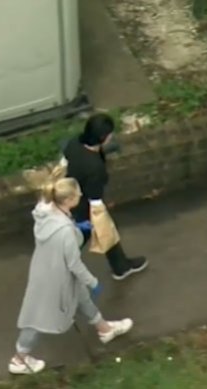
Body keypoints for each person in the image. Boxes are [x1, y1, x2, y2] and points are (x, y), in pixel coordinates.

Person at [8, 177, 133, 375]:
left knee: (81, 297)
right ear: (67, 200)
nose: (81, 196)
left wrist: (76, 228)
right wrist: (93, 282)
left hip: (45, 270)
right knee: (38, 318)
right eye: (77, 195)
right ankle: (19, 359)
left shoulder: (45, 211)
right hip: (56, 278)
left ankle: (104, 329)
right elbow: (74, 264)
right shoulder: (65, 231)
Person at [62, 113, 149, 280]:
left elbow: (66, 161)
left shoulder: (74, 144)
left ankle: (121, 266)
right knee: (97, 231)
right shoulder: (94, 168)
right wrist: (100, 217)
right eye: (109, 135)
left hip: (70, 197)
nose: (112, 136)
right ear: (102, 138)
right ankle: (61, 270)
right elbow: (95, 199)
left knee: (97, 233)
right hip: (83, 206)